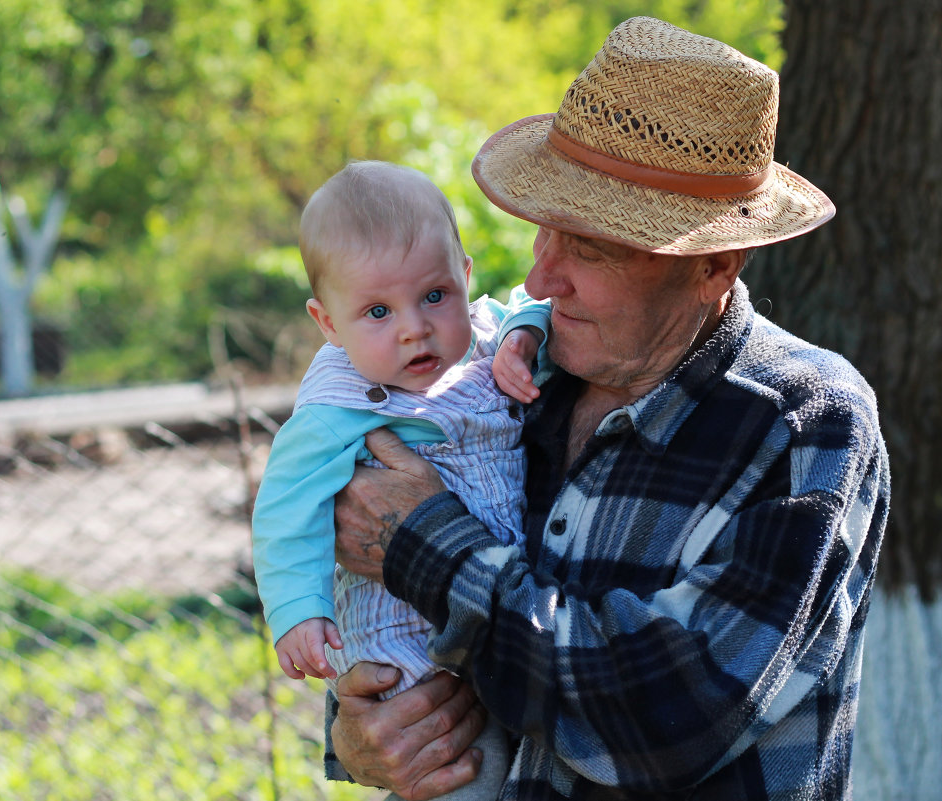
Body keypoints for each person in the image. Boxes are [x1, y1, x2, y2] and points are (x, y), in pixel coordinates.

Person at [326, 17, 891, 801]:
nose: (542, 275)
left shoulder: (803, 422)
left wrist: (424, 545)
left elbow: (669, 716)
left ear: (715, 263)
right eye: (544, 234)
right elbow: (407, 629)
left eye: (592, 248)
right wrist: (363, 731)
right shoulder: (512, 371)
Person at [251, 160, 550, 801]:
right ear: (327, 323)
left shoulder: (482, 340)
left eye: (435, 296)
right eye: (378, 311)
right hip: (407, 640)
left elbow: (530, 307)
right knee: (456, 769)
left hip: (502, 613)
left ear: (465, 276)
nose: (414, 326)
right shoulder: (338, 407)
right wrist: (297, 610)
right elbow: (285, 510)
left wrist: (524, 336)